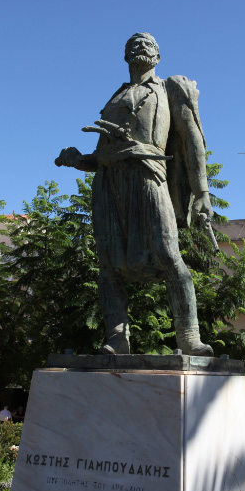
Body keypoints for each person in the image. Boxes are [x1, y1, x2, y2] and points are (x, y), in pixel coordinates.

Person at [56, 33, 214, 356]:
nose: (141, 45)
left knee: (169, 254)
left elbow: (193, 139)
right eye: (134, 43)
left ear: (158, 56)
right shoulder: (114, 100)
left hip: (149, 176)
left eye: (148, 43)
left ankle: (189, 337)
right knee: (108, 264)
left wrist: (202, 192)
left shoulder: (170, 89)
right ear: (125, 56)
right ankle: (117, 337)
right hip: (109, 183)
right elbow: (101, 155)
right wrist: (76, 159)